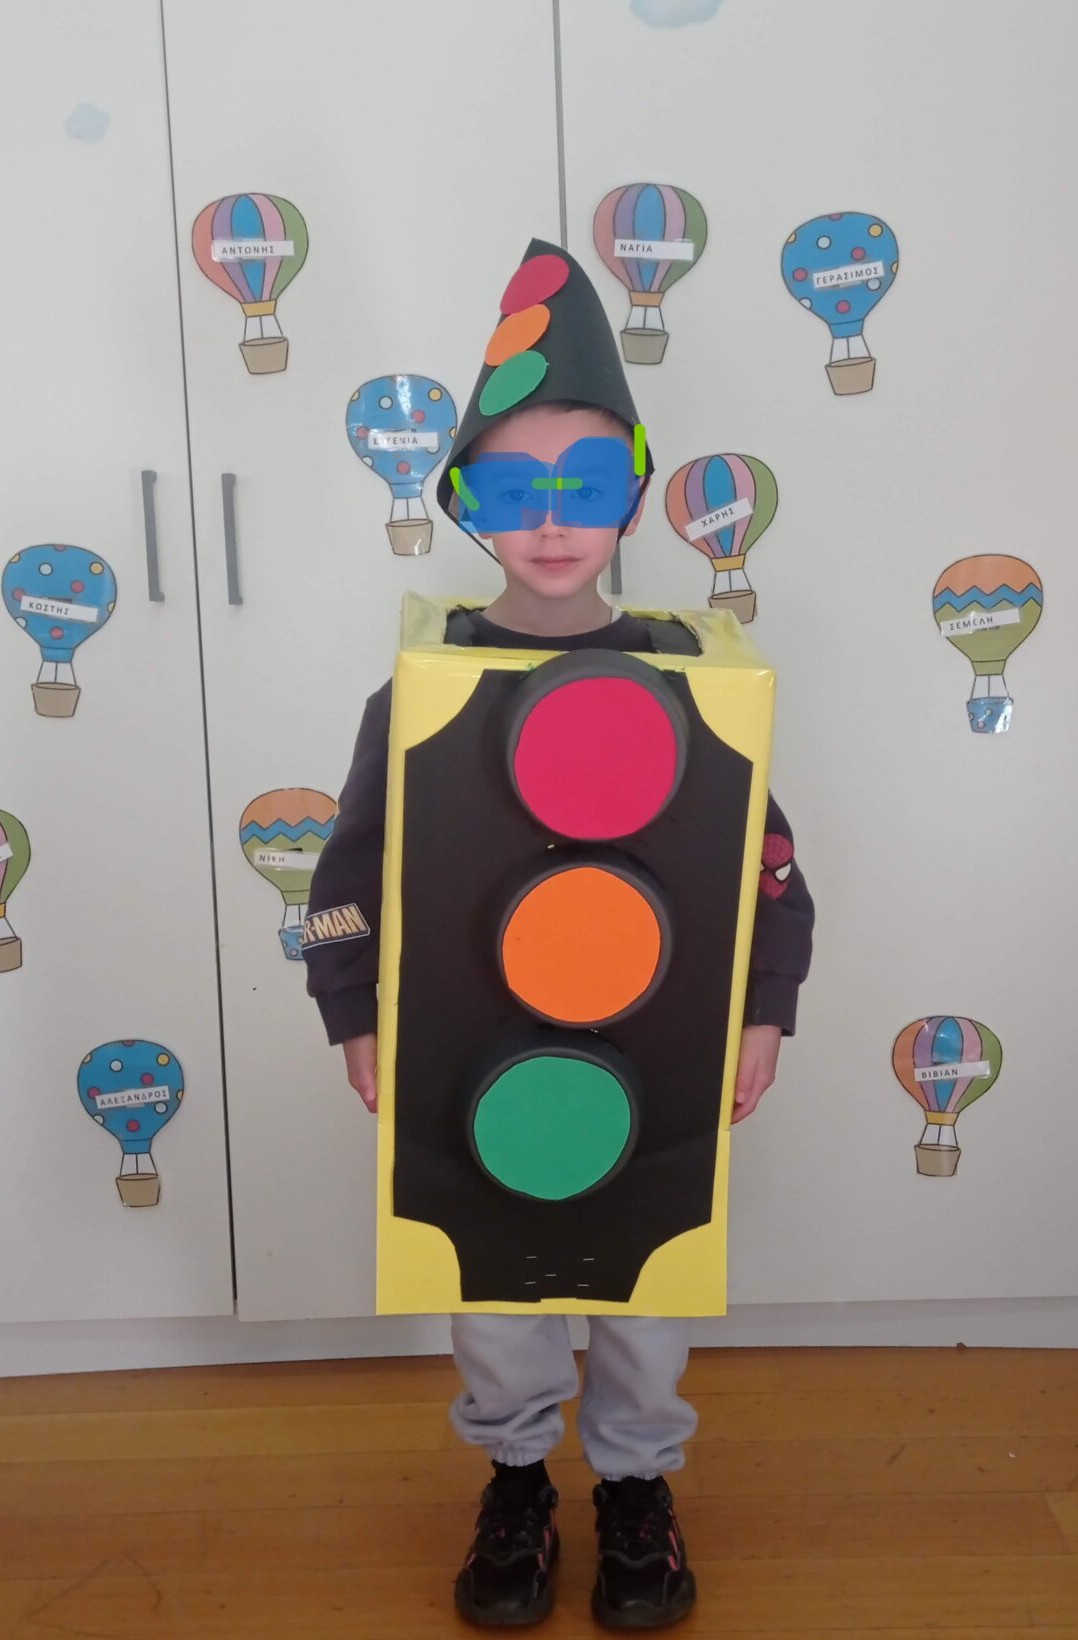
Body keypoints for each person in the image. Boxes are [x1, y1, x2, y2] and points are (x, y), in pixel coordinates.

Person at [305, 241, 814, 1630]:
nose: (549, 521)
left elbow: (766, 865)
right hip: (478, 1056)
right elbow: (348, 872)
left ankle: (637, 1487)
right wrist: (354, 1012)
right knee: (494, 1281)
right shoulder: (420, 688)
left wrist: (762, 1005)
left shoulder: (688, 678)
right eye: (511, 488)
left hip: (649, 1048)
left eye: (585, 484)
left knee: (645, 1280)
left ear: (633, 494)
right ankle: (519, 1476)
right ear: (462, 500)